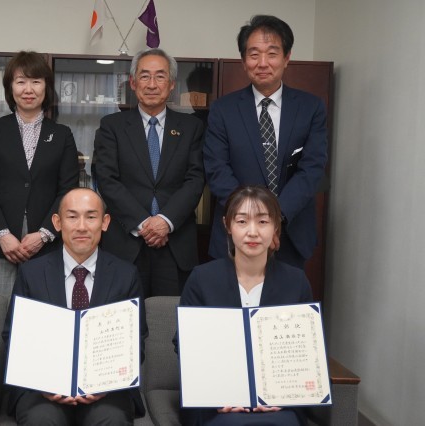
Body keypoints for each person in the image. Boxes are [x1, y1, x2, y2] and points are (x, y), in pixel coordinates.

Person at [2, 187, 147, 425]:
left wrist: (106, 384)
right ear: (57, 223)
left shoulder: (125, 274)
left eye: (91, 217)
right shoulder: (32, 273)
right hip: (41, 388)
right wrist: (42, 382)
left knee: (111, 419)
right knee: (41, 419)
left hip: (107, 390)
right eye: (72, 217)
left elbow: (136, 340)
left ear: (105, 222)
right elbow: (13, 336)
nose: (81, 226)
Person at [176, 186, 312, 426]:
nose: (252, 232)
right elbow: (185, 346)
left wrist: (281, 396)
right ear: (227, 225)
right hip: (216, 401)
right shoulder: (202, 279)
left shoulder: (296, 281)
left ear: (276, 227)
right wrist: (218, 395)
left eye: (263, 222)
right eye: (242, 221)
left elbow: (306, 350)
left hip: (278, 401)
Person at [205, 15, 328, 269]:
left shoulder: (311, 108)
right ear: (243, 61)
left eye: (272, 54)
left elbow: (312, 169)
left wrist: (273, 220)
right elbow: (217, 170)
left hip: (290, 233)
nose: (262, 63)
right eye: (254, 54)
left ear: (286, 58)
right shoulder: (222, 110)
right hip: (235, 235)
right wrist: (251, 222)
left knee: (286, 296)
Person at [94, 48, 205, 297]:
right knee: (123, 315)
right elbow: (107, 180)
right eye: (144, 76)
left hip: (175, 243)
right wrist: (145, 224)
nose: (152, 84)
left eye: (160, 76)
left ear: (172, 84)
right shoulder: (112, 126)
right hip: (126, 242)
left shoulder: (192, 127)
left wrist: (165, 221)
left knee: (170, 316)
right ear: (133, 83)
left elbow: (195, 180)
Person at [0, 50, 79, 296]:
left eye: (36, 81)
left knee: (42, 311)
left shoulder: (62, 135)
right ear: (11, 88)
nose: (28, 89)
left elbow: (67, 191)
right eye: (21, 82)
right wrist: (2, 234)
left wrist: (44, 234)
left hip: (46, 243)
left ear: (46, 87)